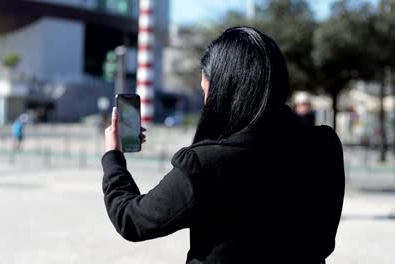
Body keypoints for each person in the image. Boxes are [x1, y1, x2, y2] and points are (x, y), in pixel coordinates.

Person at [102, 27, 345, 264]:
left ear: (223, 91)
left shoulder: (203, 164)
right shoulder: (324, 145)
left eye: (206, 92)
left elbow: (132, 219)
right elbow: (324, 239)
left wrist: (113, 156)